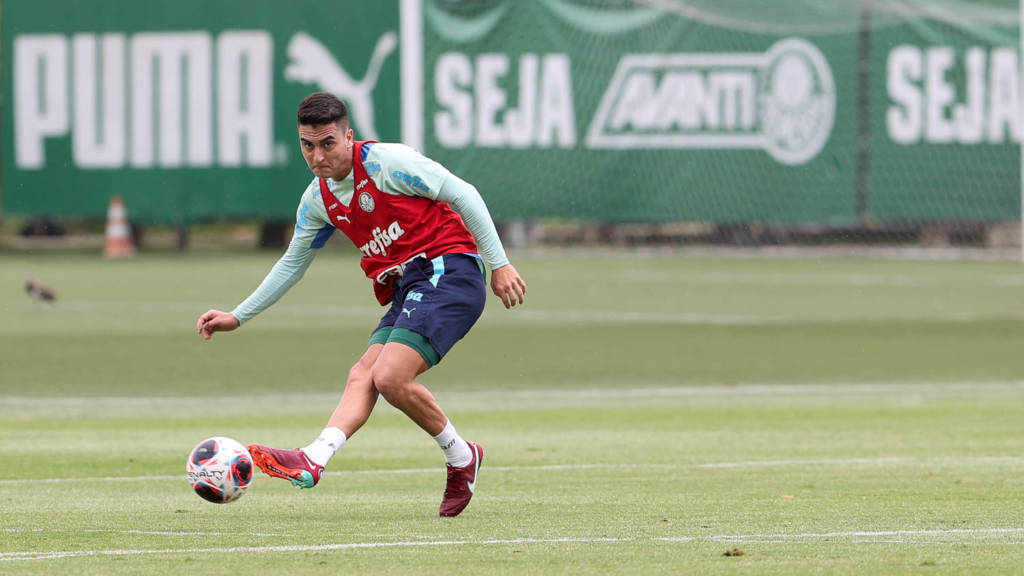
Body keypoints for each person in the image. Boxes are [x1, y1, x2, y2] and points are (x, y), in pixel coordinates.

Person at [196, 92, 526, 517]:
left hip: (449, 271)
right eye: (307, 145)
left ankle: (460, 457)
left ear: (348, 136)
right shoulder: (317, 200)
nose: (317, 156)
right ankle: (316, 458)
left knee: (389, 376)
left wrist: (499, 264)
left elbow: (464, 194)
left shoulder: (388, 163)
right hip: (412, 287)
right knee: (364, 375)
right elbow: (291, 265)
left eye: (327, 143)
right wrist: (238, 316)